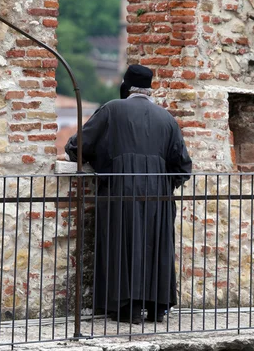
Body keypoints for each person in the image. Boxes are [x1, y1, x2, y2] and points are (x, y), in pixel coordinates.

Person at [64, 65, 193, 324]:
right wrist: (162, 185)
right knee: (155, 246)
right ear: (149, 88)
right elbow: (182, 166)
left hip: (119, 190)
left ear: (127, 86)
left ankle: (128, 309)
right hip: (159, 194)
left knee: (121, 245)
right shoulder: (167, 118)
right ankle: (157, 307)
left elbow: (79, 146)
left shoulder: (112, 109)